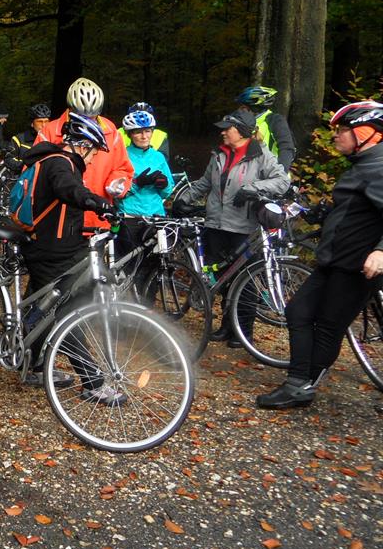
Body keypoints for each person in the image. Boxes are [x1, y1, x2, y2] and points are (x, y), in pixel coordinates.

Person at [256, 101, 383, 409]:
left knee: (328, 326)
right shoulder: (361, 166)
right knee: (297, 312)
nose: (335, 136)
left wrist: (381, 251)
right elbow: (354, 212)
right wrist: (320, 214)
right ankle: (299, 382)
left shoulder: (379, 168)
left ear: (366, 133)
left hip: (355, 266)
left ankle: (301, 385)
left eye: (343, 130)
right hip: (334, 260)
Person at [17, 113, 125, 403]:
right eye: (94, 152)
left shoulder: (58, 161)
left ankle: (31, 362)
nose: (94, 158)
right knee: (68, 313)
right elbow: (69, 190)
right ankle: (93, 382)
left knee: (40, 309)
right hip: (50, 252)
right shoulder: (60, 163)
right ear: (82, 145)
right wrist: (97, 202)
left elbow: (63, 209)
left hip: (58, 246)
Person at [176, 109, 289, 347]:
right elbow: (204, 183)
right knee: (223, 279)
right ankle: (228, 327)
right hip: (216, 224)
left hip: (243, 227)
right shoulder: (219, 154)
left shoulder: (261, 154)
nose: (223, 132)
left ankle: (243, 333)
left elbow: (282, 182)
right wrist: (183, 199)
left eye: (228, 128)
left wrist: (253, 189)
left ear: (242, 131)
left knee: (245, 282)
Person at [42, 77, 133, 229]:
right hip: (59, 222)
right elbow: (36, 173)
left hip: (98, 219)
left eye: (92, 117)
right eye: (81, 116)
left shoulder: (110, 131)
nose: (87, 121)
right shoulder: (51, 131)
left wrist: (116, 184)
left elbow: (123, 168)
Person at [116, 109, 174, 253]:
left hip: (156, 217)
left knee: (158, 262)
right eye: (138, 132)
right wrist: (137, 183)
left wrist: (164, 185)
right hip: (130, 217)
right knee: (132, 261)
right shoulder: (122, 156)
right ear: (130, 134)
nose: (144, 136)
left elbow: (167, 192)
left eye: (148, 131)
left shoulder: (158, 157)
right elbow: (116, 192)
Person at [236, 86, 296, 171]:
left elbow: (287, 148)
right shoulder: (241, 123)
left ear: (254, 107)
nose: (240, 110)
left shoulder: (275, 120)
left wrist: (280, 173)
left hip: (271, 174)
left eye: (243, 107)